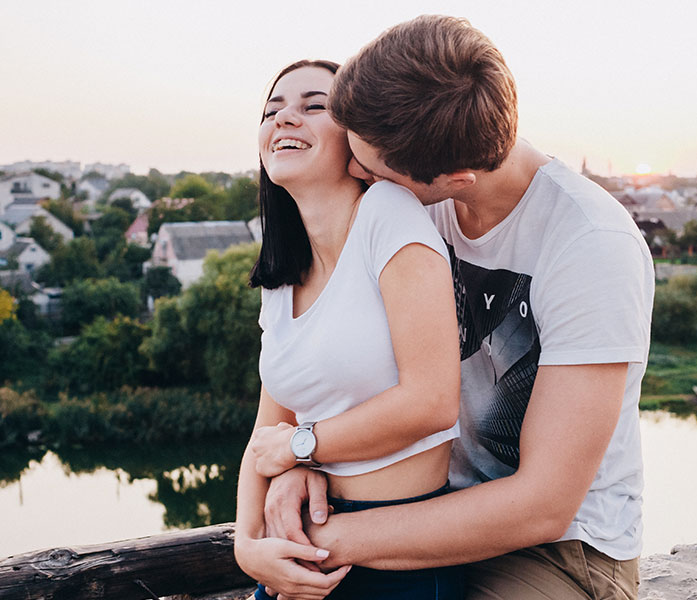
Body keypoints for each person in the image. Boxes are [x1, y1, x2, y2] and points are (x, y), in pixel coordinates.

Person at [260, 15, 654, 600]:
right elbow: (324, 354)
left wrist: (318, 542)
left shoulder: (590, 246)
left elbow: (541, 505)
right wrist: (299, 469)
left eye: (370, 167)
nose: (354, 173)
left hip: (556, 549)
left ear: (454, 179)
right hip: (424, 501)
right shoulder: (408, 196)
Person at [233, 59, 464, 600]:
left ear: (357, 139)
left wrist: (300, 447)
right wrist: (247, 546)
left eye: (314, 106)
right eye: (273, 110)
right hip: (304, 549)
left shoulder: (387, 213)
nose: (285, 118)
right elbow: (266, 433)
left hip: (397, 556)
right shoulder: (281, 274)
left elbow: (432, 402)